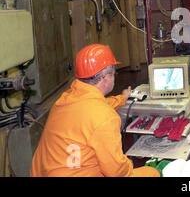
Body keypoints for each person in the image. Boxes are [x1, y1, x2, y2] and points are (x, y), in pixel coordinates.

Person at [31, 44, 159, 177]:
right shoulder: (105, 117)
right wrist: (129, 163)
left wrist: (122, 98)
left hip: (45, 172)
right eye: (114, 73)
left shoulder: (65, 100)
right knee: (152, 173)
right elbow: (118, 172)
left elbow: (96, 107)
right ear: (106, 77)